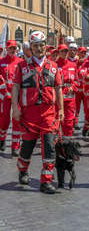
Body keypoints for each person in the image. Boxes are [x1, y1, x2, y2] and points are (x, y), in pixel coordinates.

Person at [11, 31, 64, 194]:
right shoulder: (22, 66)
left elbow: (58, 88)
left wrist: (60, 108)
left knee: (49, 147)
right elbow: (15, 88)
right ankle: (22, 169)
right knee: (27, 147)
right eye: (36, 46)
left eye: (42, 45)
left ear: (45, 47)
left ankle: (46, 181)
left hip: (48, 114)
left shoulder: (54, 67)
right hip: (29, 115)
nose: (39, 48)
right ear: (30, 47)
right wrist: (15, 108)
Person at [0, 40, 22, 156]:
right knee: (4, 121)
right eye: (10, 48)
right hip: (4, 97)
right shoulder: (1, 62)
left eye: (14, 48)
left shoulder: (21, 62)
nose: (12, 50)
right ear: (6, 49)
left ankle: (15, 147)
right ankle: (2, 139)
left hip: (17, 96)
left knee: (17, 120)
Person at [56, 44, 78, 138]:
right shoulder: (54, 65)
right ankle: (58, 144)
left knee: (69, 123)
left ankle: (68, 144)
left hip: (70, 100)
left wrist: (73, 87)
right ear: (58, 53)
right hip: (57, 99)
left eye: (66, 51)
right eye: (62, 51)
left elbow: (77, 81)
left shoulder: (73, 65)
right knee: (57, 122)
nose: (64, 53)